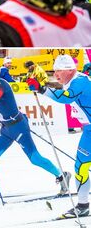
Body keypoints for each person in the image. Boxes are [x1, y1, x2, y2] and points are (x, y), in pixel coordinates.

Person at [0, 61, 70, 200]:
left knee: (35, 158)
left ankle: (61, 176)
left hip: (18, 127)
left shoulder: (0, 84)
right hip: (6, 128)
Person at [27, 55, 91, 218]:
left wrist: (41, 89)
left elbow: (66, 98)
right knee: (81, 166)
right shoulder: (75, 80)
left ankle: (83, 205)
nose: (55, 74)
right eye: (54, 70)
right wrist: (42, 85)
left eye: (58, 71)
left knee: (81, 166)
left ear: (70, 70)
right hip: (88, 131)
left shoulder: (79, 82)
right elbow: (63, 91)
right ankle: (83, 205)